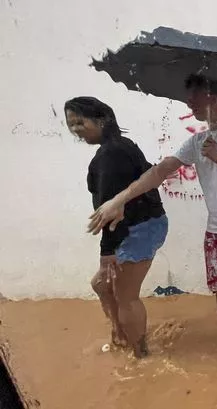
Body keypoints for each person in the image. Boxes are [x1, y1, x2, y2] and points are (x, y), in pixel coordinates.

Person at [87, 75, 217, 342]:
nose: (189, 103)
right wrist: (118, 199)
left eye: (194, 98)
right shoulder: (196, 142)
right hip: (215, 230)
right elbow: (159, 172)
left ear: (212, 97)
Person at [64, 97, 168, 358]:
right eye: (71, 125)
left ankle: (140, 354)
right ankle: (121, 331)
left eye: (79, 122)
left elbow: (109, 214)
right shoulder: (122, 146)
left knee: (126, 295)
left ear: (101, 120)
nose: (75, 129)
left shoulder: (111, 154)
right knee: (101, 285)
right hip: (146, 223)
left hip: (138, 229)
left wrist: (107, 252)